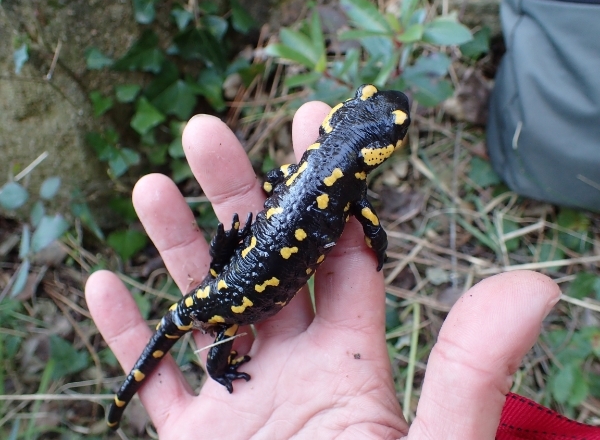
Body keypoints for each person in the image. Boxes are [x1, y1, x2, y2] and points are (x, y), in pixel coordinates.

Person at [85, 101, 561, 439]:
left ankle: (169, 374)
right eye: (386, 118)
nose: (397, 120)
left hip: (232, 281)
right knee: (217, 321)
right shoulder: (348, 188)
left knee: (220, 298)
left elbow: (275, 180)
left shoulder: (311, 161)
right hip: (232, 298)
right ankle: (216, 367)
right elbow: (372, 231)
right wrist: (380, 246)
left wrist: (241, 235)